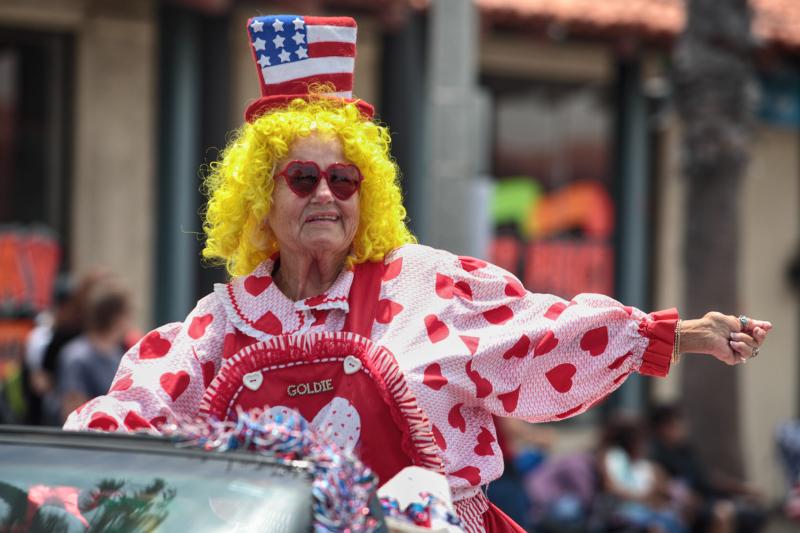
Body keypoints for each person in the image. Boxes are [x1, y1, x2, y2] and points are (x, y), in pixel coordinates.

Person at [63, 14, 773, 532]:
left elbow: (542, 337)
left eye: (344, 179)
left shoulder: (427, 287)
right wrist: (55, 487)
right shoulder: (222, 323)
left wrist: (671, 336)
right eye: (302, 176)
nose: (324, 194)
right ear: (259, 196)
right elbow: (137, 413)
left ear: (366, 192)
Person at [650, 404, 767, 533]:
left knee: (753, 510)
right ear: (664, 428)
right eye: (677, 424)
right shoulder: (657, 455)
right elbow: (664, 485)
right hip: (689, 506)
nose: (682, 428)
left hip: (709, 499)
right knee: (723, 514)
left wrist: (743, 488)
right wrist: (690, 500)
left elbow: (708, 477)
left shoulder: (686, 450)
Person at [57, 282, 132, 423]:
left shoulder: (119, 354)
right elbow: (72, 409)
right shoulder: (76, 356)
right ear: (116, 318)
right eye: (128, 315)